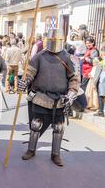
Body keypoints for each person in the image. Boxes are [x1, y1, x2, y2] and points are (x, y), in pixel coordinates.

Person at [17, 29, 79, 167]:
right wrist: (24, 81)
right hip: (41, 96)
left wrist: (71, 93)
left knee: (58, 127)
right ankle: (31, 150)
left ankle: (55, 154)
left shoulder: (67, 58)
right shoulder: (39, 56)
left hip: (59, 99)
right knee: (36, 124)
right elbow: (30, 73)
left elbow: (74, 78)